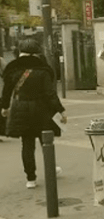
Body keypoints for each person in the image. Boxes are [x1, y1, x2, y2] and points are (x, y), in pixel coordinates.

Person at [0, 39, 67, 188]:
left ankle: (31, 178)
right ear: (37, 51)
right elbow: (50, 94)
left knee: (27, 143)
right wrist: (60, 110)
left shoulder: (12, 68)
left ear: (20, 51)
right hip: (41, 108)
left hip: (20, 107)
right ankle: (51, 168)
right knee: (46, 141)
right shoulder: (43, 69)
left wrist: (4, 107)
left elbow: (7, 91)